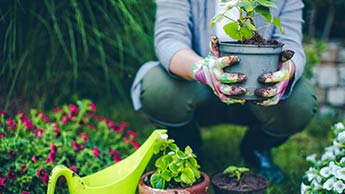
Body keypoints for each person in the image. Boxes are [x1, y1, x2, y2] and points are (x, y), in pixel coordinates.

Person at [130, 0, 318, 183]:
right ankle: (188, 145)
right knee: (158, 87)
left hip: (258, 90)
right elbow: (169, 39)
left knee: (300, 101)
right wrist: (203, 70)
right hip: (196, 86)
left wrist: (288, 70)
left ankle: (256, 148)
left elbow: (291, 43)